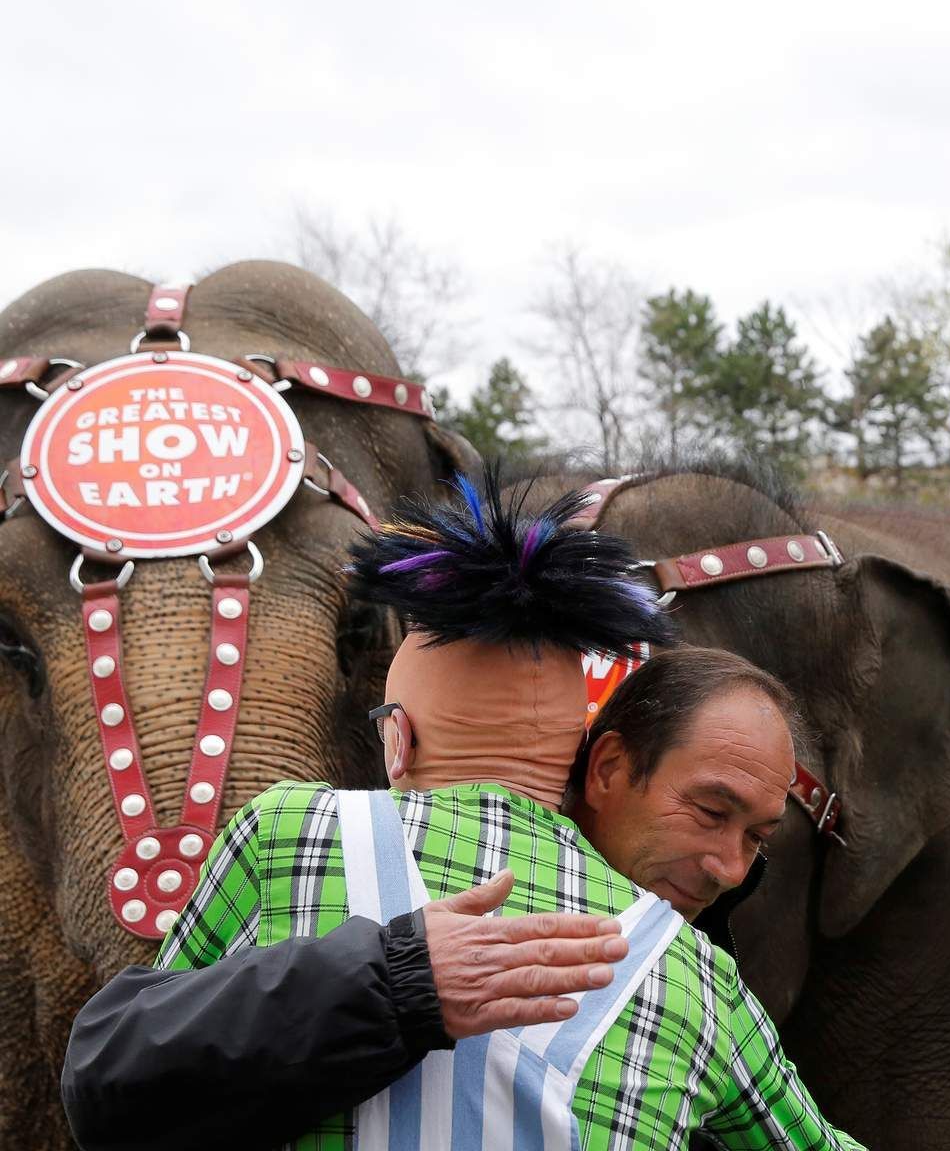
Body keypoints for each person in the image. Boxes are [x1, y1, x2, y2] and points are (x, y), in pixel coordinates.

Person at [61, 475, 863, 1151]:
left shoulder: (289, 833)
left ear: (397, 738)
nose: (731, 865)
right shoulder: (696, 977)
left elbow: (113, 1081)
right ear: (579, 762)